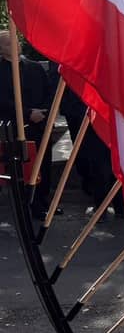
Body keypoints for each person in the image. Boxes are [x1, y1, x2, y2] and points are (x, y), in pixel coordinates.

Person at [0, 29, 54, 219]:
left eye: (16, 41)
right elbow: (3, 101)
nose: (15, 45)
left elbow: (49, 92)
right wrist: (28, 113)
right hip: (14, 127)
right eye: (8, 43)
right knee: (21, 167)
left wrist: (43, 112)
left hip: (40, 125)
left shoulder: (34, 67)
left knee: (43, 164)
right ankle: (23, 205)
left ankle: (42, 203)